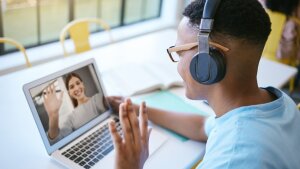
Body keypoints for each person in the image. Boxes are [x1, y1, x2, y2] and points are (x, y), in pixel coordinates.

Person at [107, 0, 300, 169]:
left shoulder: (234, 159)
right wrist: (139, 110)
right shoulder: (279, 104)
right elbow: (202, 126)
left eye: (180, 53)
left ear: (207, 61)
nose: (178, 63)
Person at [43, 73, 107, 143]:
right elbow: (57, 140)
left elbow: (108, 104)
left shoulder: (97, 98)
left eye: (78, 83)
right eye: (72, 87)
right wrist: (53, 116)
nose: (76, 88)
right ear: (69, 92)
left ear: (82, 84)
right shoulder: (71, 118)